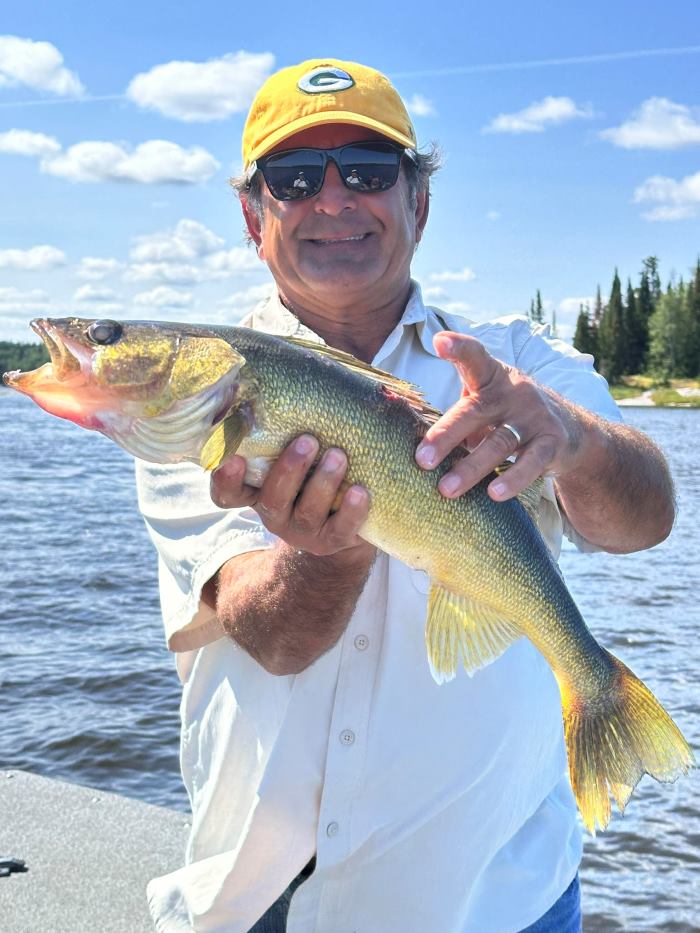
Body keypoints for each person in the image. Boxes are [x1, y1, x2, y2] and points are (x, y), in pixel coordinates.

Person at [136, 58, 675, 933]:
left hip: (497, 902)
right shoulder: (203, 396)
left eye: (371, 170)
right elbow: (270, 637)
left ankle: (603, 693)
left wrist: (569, 436)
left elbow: (646, 518)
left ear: (418, 201)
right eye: (296, 177)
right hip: (258, 903)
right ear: (252, 214)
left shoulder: (512, 363)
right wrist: (334, 545)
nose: (335, 199)